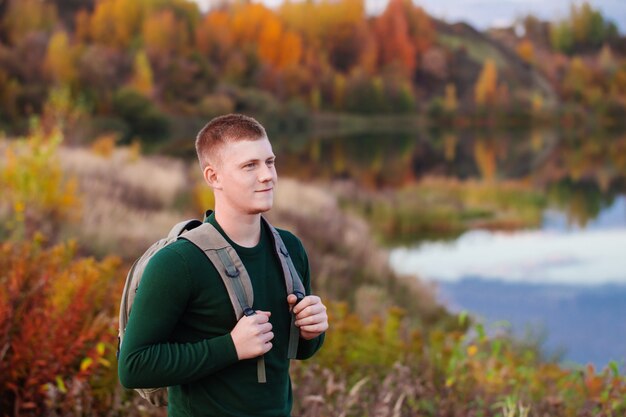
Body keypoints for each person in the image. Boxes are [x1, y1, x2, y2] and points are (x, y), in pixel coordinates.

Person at [118, 114, 328, 416]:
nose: (267, 175)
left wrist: (312, 331)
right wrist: (231, 346)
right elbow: (134, 367)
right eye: (249, 166)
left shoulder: (290, 249)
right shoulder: (179, 263)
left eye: (269, 162)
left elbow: (296, 351)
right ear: (213, 177)